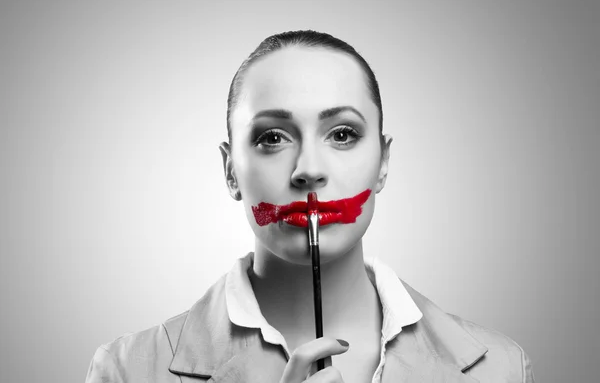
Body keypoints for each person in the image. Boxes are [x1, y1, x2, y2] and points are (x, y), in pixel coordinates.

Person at [85, 30, 535, 383]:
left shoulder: (501, 370)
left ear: (383, 163)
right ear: (230, 171)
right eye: (272, 138)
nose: (308, 171)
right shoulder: (127, 371)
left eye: (342, 134)